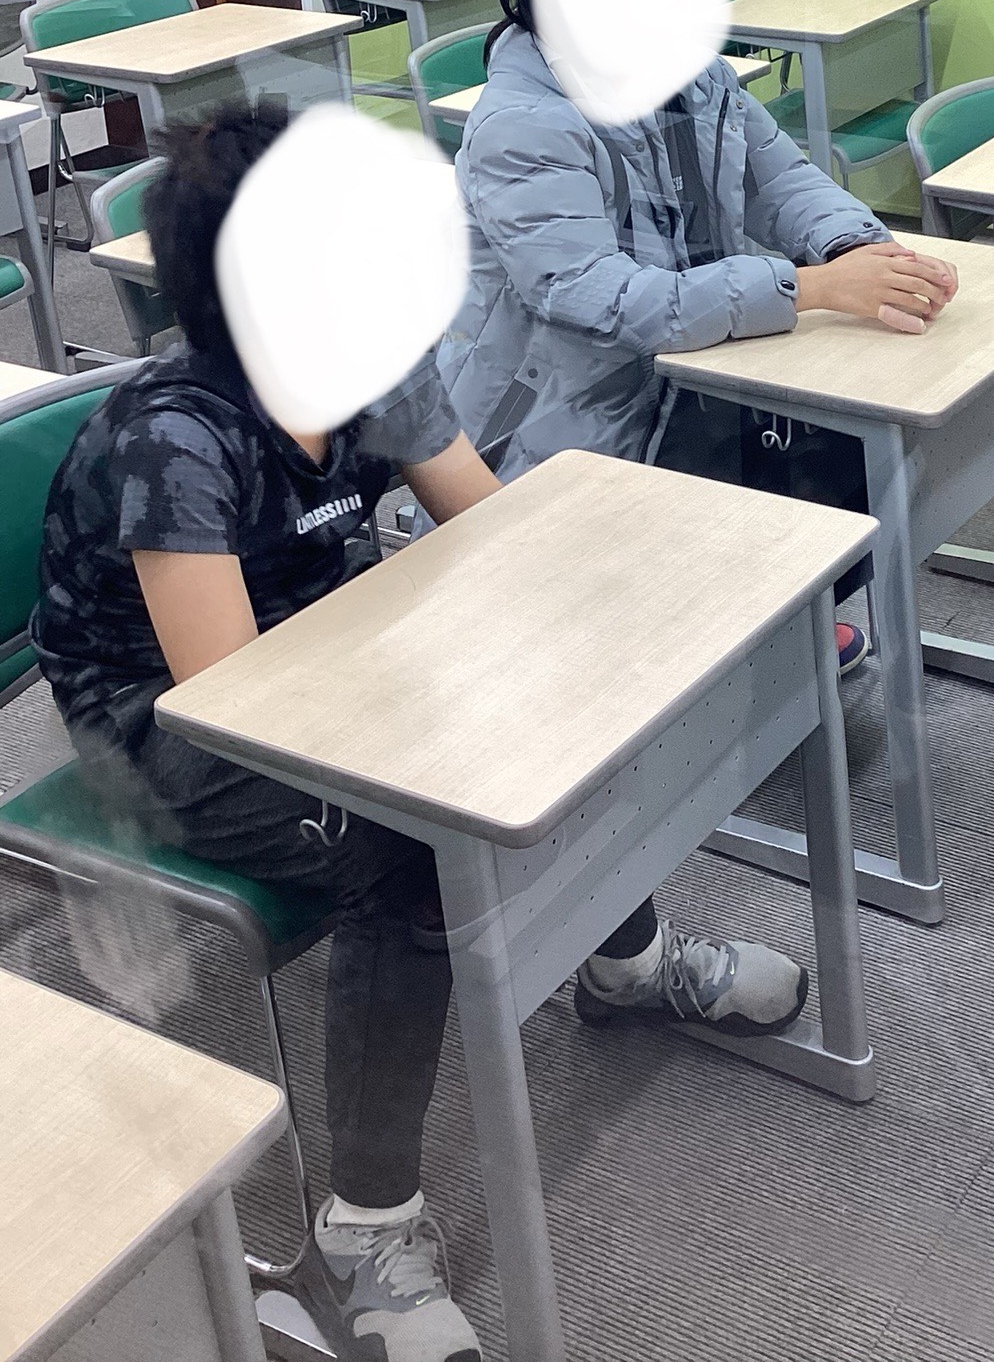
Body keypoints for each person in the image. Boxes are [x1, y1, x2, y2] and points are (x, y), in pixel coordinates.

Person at [31, 105, 817, 1362]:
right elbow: (230, 699)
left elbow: (492, 534)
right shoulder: (175, 436)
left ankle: (626, 966)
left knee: (551, 719)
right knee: (415, 855)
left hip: (319, 645)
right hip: (156, 717)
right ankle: (362, 1231)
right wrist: (435, 709)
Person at [438, 0, 958, 672]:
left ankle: (767, 623)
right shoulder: (522, 126)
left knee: (860, 461)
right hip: (563, 417)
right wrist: (808, 289)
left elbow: (782, 182)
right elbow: (597, 298)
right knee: (823, 473)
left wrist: (857, 251)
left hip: (694, 368)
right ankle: (718, 641)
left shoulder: (692, 75)